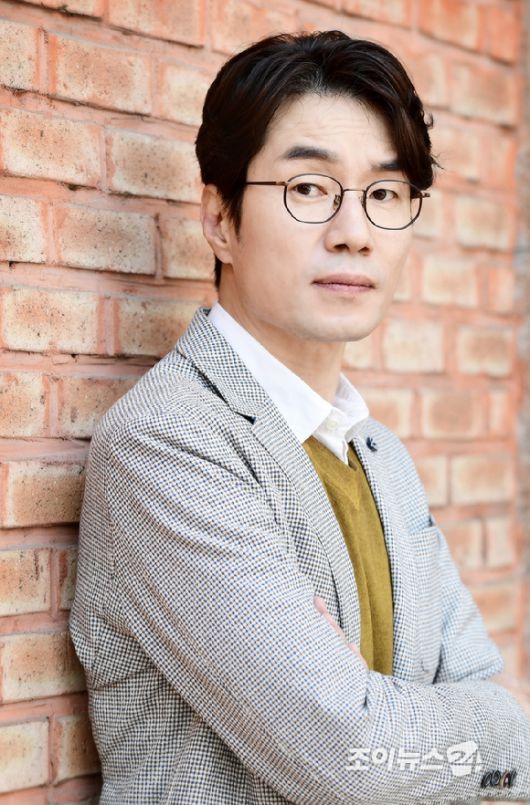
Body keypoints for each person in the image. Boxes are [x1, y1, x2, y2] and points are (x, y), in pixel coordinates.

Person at [70, 30, 530, 804]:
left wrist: (428, 725)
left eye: (384, 195)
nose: (354, 232)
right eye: (310, 188)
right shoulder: (168, 443)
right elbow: (349, 753)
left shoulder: (378, 454)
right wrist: (502, 728)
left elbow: (479, 693)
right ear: (219, 219)